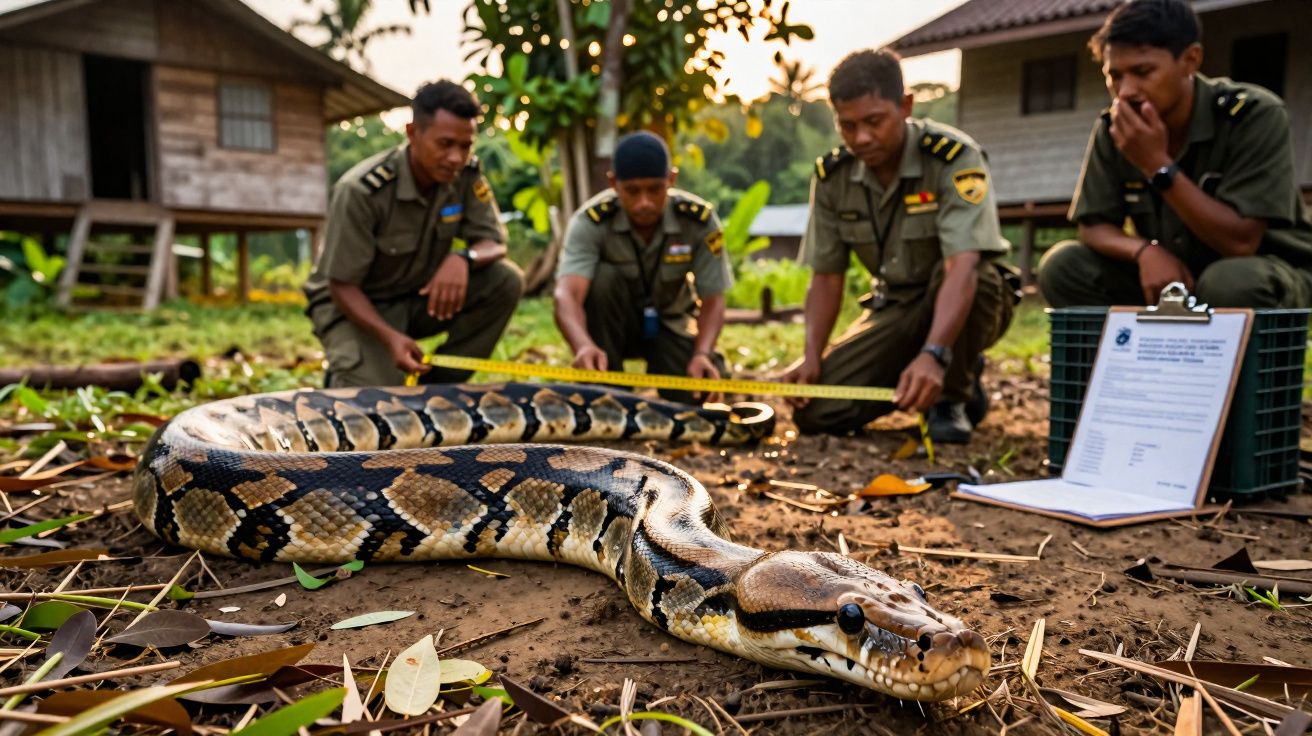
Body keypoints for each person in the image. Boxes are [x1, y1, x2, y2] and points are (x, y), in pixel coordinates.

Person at [782, 48, 1016, 443]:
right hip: (893, 308)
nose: (863, 138)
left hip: (966, 295)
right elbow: (826, 277)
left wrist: (935, 354)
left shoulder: (954, 158)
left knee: (979, 276)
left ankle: (951, 395)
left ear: (905, 105)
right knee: (819, 411)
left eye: (874, 121)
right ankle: (929, 374)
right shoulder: (831, 177)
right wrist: (811, 357)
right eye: (848, 125)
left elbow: (963, 266)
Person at [1038, 0, 1312, 309]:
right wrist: (1144, 252)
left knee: (1229, 283)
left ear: (1190, 60)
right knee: (1063, 266)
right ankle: (1120, 357)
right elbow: (1093, 226)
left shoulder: (1251, 115)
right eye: (1114, 75)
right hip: (1171, 274)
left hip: (1262, 269)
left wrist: (1156, 164)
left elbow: (1241, 242)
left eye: (1143, 72)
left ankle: (1247, 359)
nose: (1126, 91)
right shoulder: (1115, 127)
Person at [303, 80, 523, 388]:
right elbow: (342, 286)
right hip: (356, 306)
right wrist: (391, 338)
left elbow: (494, 242)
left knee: (505, 280)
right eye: (445, 144)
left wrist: (464, 258)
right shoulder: (362, 191)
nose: (456, 158)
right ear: (412, 133)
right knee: (374, 401)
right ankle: (349, 371)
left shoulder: (465, 176)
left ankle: (439, 387)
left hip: (416, 297)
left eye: (465, 145)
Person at [553, 131, 731, 405]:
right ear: (614, 183)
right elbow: (567, 294)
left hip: (670, 325)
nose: (644, 202)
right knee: (602, 279)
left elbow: (713, 298)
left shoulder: (699, 220)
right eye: (633, 191)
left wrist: (702, 354)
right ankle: (606, 390)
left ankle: (695, 364)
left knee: (698, 394)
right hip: (612, 331)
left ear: (671, 179)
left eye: (655, 189)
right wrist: (582, 345)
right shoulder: (590, 222)